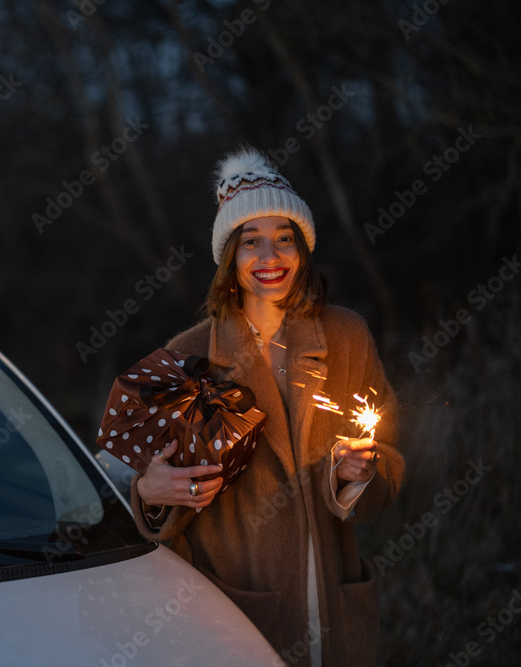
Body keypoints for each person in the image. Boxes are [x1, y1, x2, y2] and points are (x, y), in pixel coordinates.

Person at [130, 146, 404, 666]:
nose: (270, 257)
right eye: (251, 242)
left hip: (334, 607)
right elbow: (158, 496)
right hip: (239, 609)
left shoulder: (346, 336)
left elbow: (386, 462)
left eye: (285, 239)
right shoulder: (190, 355)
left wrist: (358, 475)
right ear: (230, 259)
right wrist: (150, 493)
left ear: (303, 250)